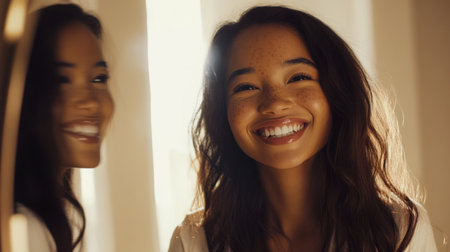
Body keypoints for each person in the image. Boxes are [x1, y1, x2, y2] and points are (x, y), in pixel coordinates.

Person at [169, 5, 437, 252]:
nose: (274, 104)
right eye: (246, 87)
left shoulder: (399, 229)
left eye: (298, 78)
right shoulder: (194, 241)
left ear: (337, 95)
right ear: (222, 112)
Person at [14, 4, 113, 252]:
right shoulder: (23, 229)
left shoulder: (43, 222)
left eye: (98, 78)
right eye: (62, 80)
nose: (90, 102)